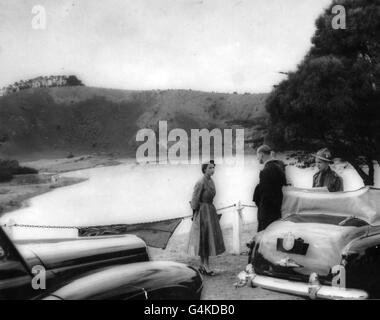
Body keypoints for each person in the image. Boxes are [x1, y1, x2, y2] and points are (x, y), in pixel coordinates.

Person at [187, 160, 225, 276]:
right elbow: (194, 200)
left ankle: (204, 265)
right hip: (202, 212)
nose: (212, 170)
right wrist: (195, 214)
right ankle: (205, 265)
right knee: (203, 239)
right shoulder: (200, 182)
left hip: (210, 211)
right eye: (210, 168)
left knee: (208, 239)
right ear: (204, 169)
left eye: (213, 168)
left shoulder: (211, 181)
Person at [253, 145, 287, 232]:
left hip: (267, 214)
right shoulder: (279, 168)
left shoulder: (266, 171)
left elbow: (265, 196)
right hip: (278, 211)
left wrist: (261, 212)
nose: (257, 158)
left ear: (261, 155)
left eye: (257, 155)